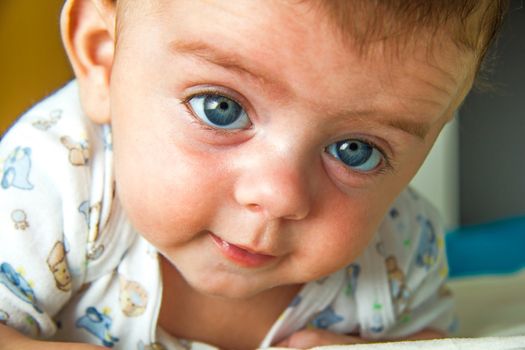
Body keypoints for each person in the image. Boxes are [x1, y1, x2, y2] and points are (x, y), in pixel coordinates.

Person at [0, 0, 508, 349]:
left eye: (356, 151)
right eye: (221, 108)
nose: (280, 195)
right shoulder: (57, 177)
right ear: (103, 58)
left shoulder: (399, 250)